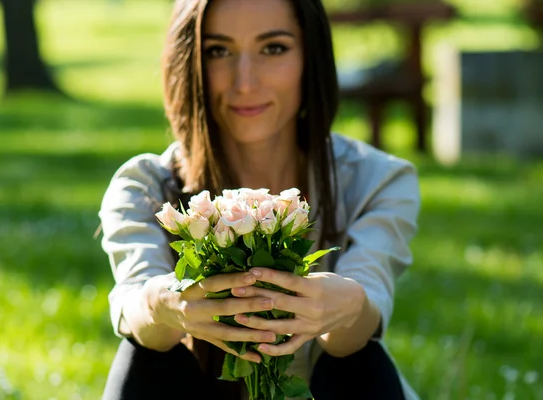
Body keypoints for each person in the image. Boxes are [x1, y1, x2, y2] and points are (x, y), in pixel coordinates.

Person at [98, 0, 421, 399]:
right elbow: (136, 302)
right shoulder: (144, 185)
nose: (245, 82)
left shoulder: (378, 180)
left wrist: (348, 307)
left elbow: (361, 324)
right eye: (219, 51)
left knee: (357, 356)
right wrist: (162, 306)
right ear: (190, 61)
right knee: (146, 349)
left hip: (333, 387)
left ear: (311, 56)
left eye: (273, 48)